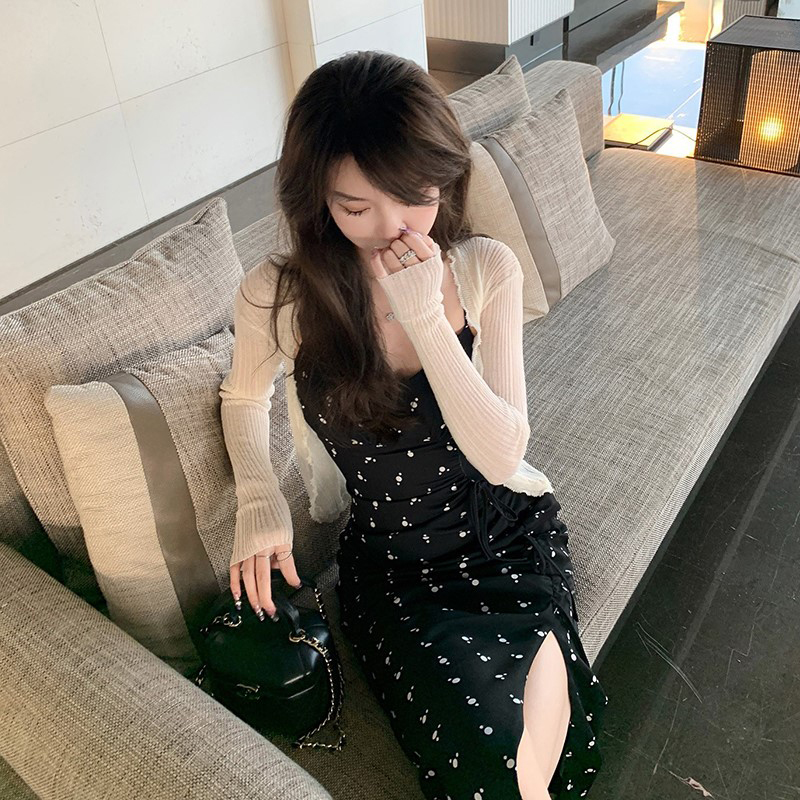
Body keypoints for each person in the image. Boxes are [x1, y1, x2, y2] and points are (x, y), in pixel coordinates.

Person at [219, 49, 607, 800]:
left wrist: (428, 316)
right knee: (489, 762)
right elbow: (242, 398)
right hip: (394, 566)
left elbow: (502, 455)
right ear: (317, 202)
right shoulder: (280, 294)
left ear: (443, 179)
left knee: (552, 751)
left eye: (415, 197)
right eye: (356, 208)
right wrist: (258, 500)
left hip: (503, 534)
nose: (391, 228)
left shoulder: (485, 268)